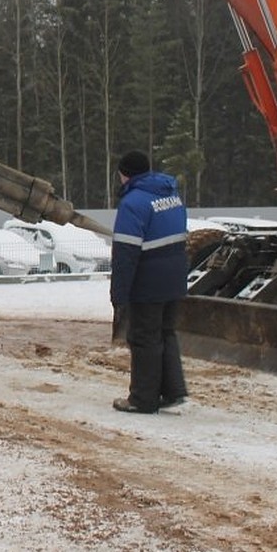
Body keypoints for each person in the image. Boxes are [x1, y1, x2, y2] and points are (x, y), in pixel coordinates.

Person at [110, 149, 188, 414]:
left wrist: (119, 294)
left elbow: (125, 254)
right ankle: (173, 390)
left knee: (143, 338)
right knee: (166, 333)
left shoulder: (133, 203)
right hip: (175, 276)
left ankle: (142, 399)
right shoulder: (171, 194)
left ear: (125, 174)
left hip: (148, 281)